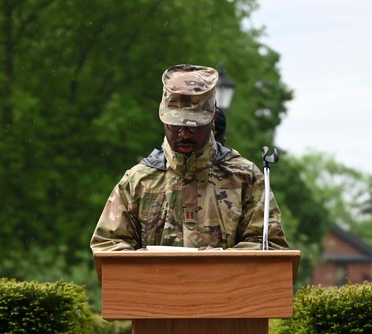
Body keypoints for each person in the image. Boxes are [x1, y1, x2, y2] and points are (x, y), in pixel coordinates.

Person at [90, 64, 288, 252]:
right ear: (162, 118)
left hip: (226, 288)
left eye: (195, 126)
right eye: (175, 125)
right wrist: (147, 262)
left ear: (213, 118)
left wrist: (219, 262)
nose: (184, 134)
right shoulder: (138, 181)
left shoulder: (245, 177)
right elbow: (108, 245)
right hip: (154, 288)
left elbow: (269, 246)